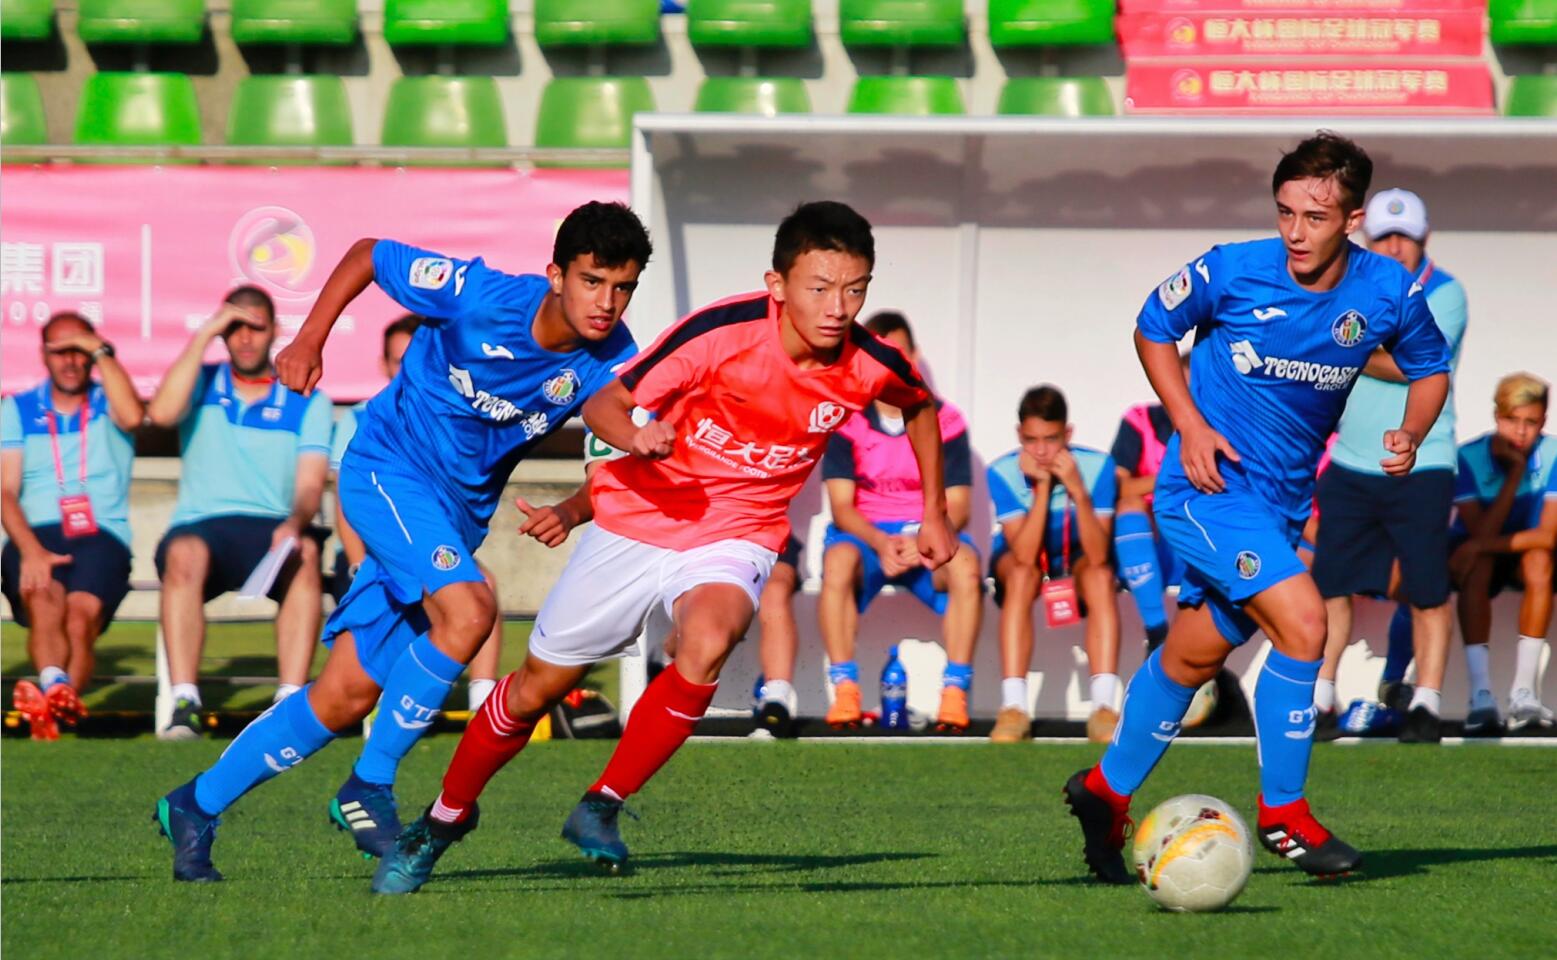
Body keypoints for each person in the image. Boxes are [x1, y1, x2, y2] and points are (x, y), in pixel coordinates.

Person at [370, 200, 955, 894]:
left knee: (709, 638)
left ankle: (602, 804)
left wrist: (935, 514)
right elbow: (604, 400)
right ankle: (442, 821)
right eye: (819, 287)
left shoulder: (867, 362)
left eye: (853, 289)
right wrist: (625, 451)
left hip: (737, 529)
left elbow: (918, 405)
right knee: (534, 691)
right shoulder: (720, 334)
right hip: (637, 519)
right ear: (777, 285)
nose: (836, 307)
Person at [152, 201, 651, 882]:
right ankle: (370, 784)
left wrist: (592, 486)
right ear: (555, 275)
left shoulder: (611, 354)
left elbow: (607, 415)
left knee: (344, 696)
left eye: (623, 287)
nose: (607, 301)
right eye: (593, 280)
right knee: (471, 611)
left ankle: (194, 805)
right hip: (386, 470)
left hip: (448, 518)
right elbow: (366, 252)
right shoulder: (478, 293)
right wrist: (308, 340)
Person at [1062, 132, 1450, 884]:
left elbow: (1428, 368)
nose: (1296, 233)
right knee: (1305, 622)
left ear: (1352, 219)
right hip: (1202, 491)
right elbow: (1152, 327)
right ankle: (1284, 816)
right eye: (1284, 214)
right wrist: (1189, 423)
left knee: (1192, 654)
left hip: (1277, 507)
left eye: (1314, 216)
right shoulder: (1232, 269)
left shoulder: (1386, 289)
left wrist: (1411, 428)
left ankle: (1103, 793)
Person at [1311, 188, 1469, 745]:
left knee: (1427, 588)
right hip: (1351, 461)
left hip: (1423, 459)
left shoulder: (1446, 293)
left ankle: (1426, 702)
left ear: (1424, 238)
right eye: (1385, 236)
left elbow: (1413, 367)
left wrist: (1341, 343)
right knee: (1331, 584)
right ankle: (1321, 695)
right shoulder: (1349, 287)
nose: (1396, 245)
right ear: (1366, 238)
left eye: (1405, 235)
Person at [147, 287, 333, 740]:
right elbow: (162, 413)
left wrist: (293, 523)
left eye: (256, 327)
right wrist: (204, 334)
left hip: (271, 527)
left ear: (275, 332)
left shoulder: (308, 397)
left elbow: (310, 485)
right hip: (202, 527)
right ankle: (185, 703)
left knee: (305, 551)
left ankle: (288, 704)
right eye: (234, 328)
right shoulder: (202, 381)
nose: (245, 338)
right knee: (184, 552)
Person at [328, 314, 504, 716]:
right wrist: (357, 562)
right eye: (395, 360)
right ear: (383, 365)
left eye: (412, 358)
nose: (404, 368)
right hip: (373, 552)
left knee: (483, 585)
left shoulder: (448, 422)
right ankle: (388, 704)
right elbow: (345, 500)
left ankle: (481, 702)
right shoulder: (358, 418)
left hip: (429, 545)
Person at [818, 311, 981, 733]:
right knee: (836, 562)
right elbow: (842, 508)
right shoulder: (845, 418)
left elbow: (958, 506)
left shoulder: (947, 420)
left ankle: (954, 693)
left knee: (966, 565)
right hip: (867, 540)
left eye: (899, 353)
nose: (889, 363)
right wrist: (880, 542)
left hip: (924, 536)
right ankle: (846, 691)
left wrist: (915, 537)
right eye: (879, 354)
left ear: (914, 355)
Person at [1, 313, 143, 740]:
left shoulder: (110, 402)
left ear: (93, 354)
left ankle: (54, 701)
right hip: (36, 532)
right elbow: (5, 491)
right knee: (44, 600)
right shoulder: (18, 408)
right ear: (44, 355)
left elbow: (136, 418)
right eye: (60, 351)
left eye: (80, 351)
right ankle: (58, 693)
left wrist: (101, 350)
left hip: (102, 533)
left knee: (80, 618)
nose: (70, 361)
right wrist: (29, 549)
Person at [987, 385, 1120, 743]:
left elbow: (1097, 554)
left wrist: (1076, 489)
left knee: (1100, 577)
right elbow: (1025, 555)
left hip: (1079, 558)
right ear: (1019, 435)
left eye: (1051, 438)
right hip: (1025, 561)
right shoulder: (1002, 472)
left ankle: (1103, 709)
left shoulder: (1098, 467)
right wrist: (1043, 489)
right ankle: (1014, 709)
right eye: (1031, 440)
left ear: (1068, 434)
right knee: (1019, 575)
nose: (1041, 450)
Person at [1450, 373, 1556, 734]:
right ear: (1497, 416)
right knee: (1478, 566)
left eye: (1532, 422)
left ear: (1544, 420)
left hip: (1513, 555)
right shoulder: (1469, 456)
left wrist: (1476, 545)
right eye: (1513, 420)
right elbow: (1482, 532)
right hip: (1477, 559)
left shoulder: (1554, 454)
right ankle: (1481, 697)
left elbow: (1547, 536)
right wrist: (1514, 477)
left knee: (1539, 561)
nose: (1522, 432)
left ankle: (1524, 695)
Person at [1109, 356, 1189, 656]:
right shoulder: (1140, 419)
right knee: (1130, 508)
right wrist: (1177, 477)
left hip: (1195, 541)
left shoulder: (1225, 427)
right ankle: (1157, 632)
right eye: (1178, 385)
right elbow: (1118, 489)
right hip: (1146, 545)